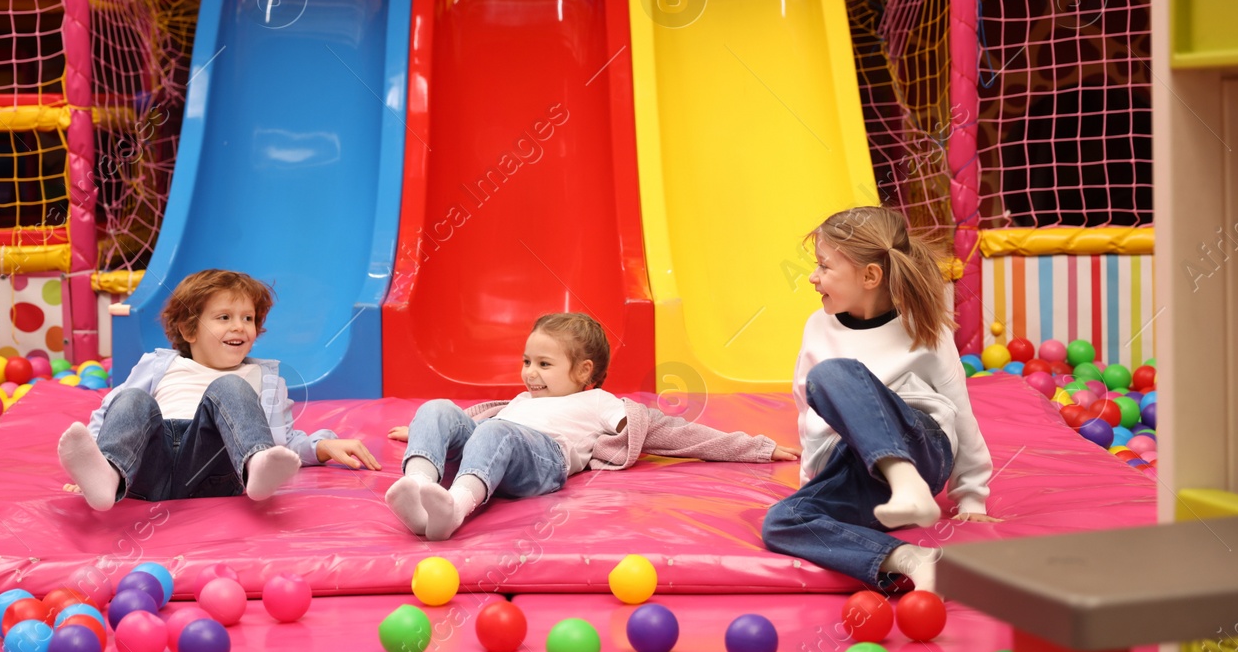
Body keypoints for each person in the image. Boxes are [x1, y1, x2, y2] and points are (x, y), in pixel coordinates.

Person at [384, 312, 799, 540]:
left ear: (584, 372)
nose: (530, 373)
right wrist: (429, 434)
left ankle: (454, 509)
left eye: (545, 365)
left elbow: (673, 432)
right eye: (527, 361)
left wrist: (755, 447)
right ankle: (420, 492)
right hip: (494, 446)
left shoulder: (599, 402)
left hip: (540, 461)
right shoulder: (525, 400)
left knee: (495, 433)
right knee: (437, 406)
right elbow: (477, 421)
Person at [762, 206, 994, 592]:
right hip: (856, 472)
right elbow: (809, 413)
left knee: (833, 374)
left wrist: (972, 498)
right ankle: (911, 560)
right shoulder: (818, 326)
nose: (812, 277)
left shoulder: (923, 327)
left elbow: (960, 409)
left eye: (824, 267)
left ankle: (907, 483)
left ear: (870, 276)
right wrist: (813, 485)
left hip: (920, 447)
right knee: (781, 522)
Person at [57, 269, 378, 509]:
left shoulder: (263, 378)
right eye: (224, 317)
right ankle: (109, 478)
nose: (240, 326)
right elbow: (112, 414)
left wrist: (321, 447)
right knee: (132, 398)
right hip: (145, 464)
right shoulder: (159, 365)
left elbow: (284, 441)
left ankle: (255, 466)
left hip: (212, 465)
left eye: (248, 318)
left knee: (230, 386)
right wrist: (96, 462)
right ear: (189, 329)